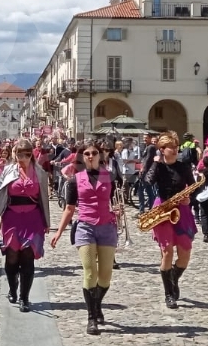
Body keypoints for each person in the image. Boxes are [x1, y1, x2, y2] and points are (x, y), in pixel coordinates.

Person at [50, 141, 119, 335]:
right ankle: (91, 317)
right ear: (82, 157)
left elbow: (114, 199)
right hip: (85, 227)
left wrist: (118, 211)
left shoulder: (110, 177)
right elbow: (69, 209)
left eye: (94, 153)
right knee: (90, 272)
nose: (90, 156)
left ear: (100, 155)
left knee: (105, 276)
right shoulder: (74, 180)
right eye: (86, 153)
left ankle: (96, 305)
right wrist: (59, 232)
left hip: (107, 227)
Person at [0, 139, 50, 313]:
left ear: (32, 154)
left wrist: (47, 222)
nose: (23, 157)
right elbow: (1, 196)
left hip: (33, 218)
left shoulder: (40, 173)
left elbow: (44, 199)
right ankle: (13, 287)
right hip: (12, 217)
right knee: (12, 256)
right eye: (20, 153)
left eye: (27, 153)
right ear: (15, 154)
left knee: (28, 257)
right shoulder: (8, 170)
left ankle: (25, 297)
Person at [144, 131, 196, 309]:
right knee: (167, 252)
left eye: (176, 147)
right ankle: (169, 294)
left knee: (185, 254)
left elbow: (193, 187)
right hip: (162, 209)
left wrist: (189, 198)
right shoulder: (158, 166)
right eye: (170, 148)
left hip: (181, 209)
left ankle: (173, 277)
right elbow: (148, 181)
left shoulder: (184, 167)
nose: (174, 150)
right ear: (162, 149)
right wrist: (156, 163)